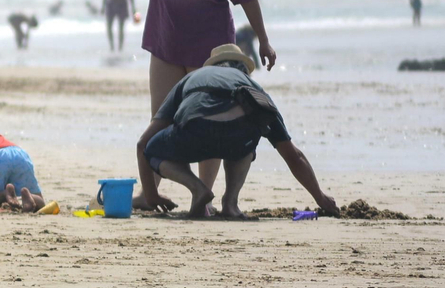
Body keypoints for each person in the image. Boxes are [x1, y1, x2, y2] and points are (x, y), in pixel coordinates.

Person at [48, 0, 272, 199]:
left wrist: (264, 40)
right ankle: (150, 193)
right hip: (166, 44)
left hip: (210, 53)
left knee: (207, 123)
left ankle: (203, 195)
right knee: (161, 121)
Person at [134, 44, 338, 219]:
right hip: (238, 139)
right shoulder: (253, 89)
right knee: (248, 136)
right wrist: (320, 197)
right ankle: (230, 203)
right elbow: (293, 156)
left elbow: (143, 144)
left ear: (213, 66)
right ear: (244, 71)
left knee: (154, 148)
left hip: (194, 133)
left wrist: (151, 195)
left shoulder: (193, 78)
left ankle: (197, 188)